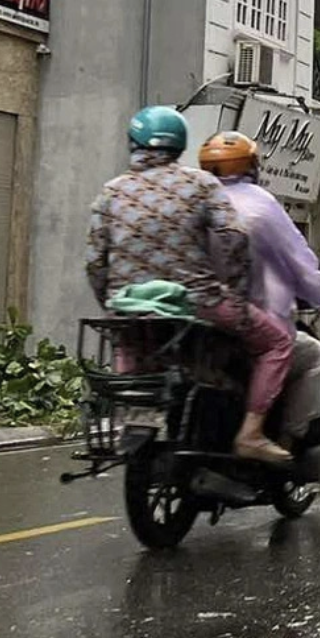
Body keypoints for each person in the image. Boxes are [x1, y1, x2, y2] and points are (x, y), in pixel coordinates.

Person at [85, 106, 294, 464]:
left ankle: (133, 416)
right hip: (197, 300)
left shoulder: (111, 192)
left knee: (130, 337)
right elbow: (233, 236)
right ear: (180, 146)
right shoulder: (200, 183)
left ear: (133, 143)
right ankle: (251, 433)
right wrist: (233, 287)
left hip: (130, 305)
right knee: (277, 342)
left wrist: (111, 299)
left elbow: (94, 261)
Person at [198, 132, 320, 454]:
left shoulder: (191, 199)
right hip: (243, 315)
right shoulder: (260, 203)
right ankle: (279, 436)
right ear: (251, 165)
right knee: (309, 354)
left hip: (190, 315)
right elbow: (299, 261)